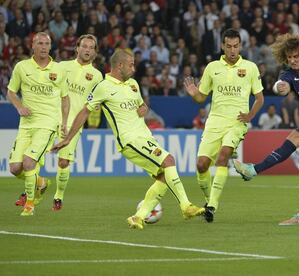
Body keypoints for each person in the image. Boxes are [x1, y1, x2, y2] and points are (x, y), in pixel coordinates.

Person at [51, 49, 204, 230]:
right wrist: (69, 138)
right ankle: (185, 206)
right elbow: (85, 111)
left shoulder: (133, 84)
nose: (134, 68)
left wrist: (144, 109)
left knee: (163, 176)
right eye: (131, 64)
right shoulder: (103, 87)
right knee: (169, 160)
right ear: (120, 65)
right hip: (129, 139)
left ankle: (138, 217)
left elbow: (142, 106)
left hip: (145, 136)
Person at [233, 33, 299, 225]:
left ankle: (254, 170)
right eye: (289, 57)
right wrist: (280, 87)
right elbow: (280, 85)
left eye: (296, 57)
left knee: (295, 137)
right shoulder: (288, 74)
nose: (292, 61)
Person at [184, 28, 264, 223]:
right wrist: (194, 93)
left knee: (223, 156)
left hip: (236, 122)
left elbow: (260, 98)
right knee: (201, 165)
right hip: (214, 121)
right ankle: (208, 199)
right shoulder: (212, 67)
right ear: (222, 46)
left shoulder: (251, 67)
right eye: (228, 46)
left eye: (236, 46)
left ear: (240, 46)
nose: (232, 50)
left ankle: (212, 206)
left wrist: (250, 115)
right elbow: (202, 97)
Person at [7, 32, 69, 216]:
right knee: (15, 168)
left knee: (29, 163)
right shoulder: (22, 67)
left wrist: (64, 123)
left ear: (50, 47)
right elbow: (11, 92)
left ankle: (30, 204)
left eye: (47, 44)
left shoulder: (58, 70)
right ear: (32, 45)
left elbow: (65, 99)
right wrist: (19, 107)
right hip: (26, 124)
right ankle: (41, 183)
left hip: (48, 123)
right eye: (40, 43)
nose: (43, 47)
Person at [52, 34, 104, 211]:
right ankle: (32, 191)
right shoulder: (62, 66)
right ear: (77, 48)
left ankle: (58, 195)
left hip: (73, 124)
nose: (87, 49)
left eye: (91, 47)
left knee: (63, 162)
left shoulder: (97, 76)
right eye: (84, 46)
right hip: (50, 117)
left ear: (95, 52)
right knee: (33, 159)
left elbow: (97, 101)